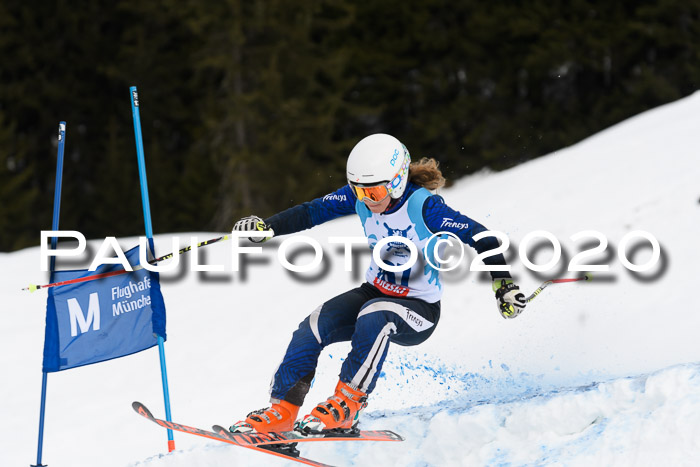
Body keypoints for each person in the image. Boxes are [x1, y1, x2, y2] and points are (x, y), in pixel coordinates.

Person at [229, 133, 525, 435]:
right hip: (374, 291)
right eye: (358, 192)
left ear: (397, 182)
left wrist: (503, 284)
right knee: (314, 325)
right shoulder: (361, 198)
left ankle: (347, 405)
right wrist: (268, 227)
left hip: (419, 309)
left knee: (375, 313)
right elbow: (311, 212)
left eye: (374, 193)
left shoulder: (424, 207)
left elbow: (483, 236)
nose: (366, 200)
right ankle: (282, 411)